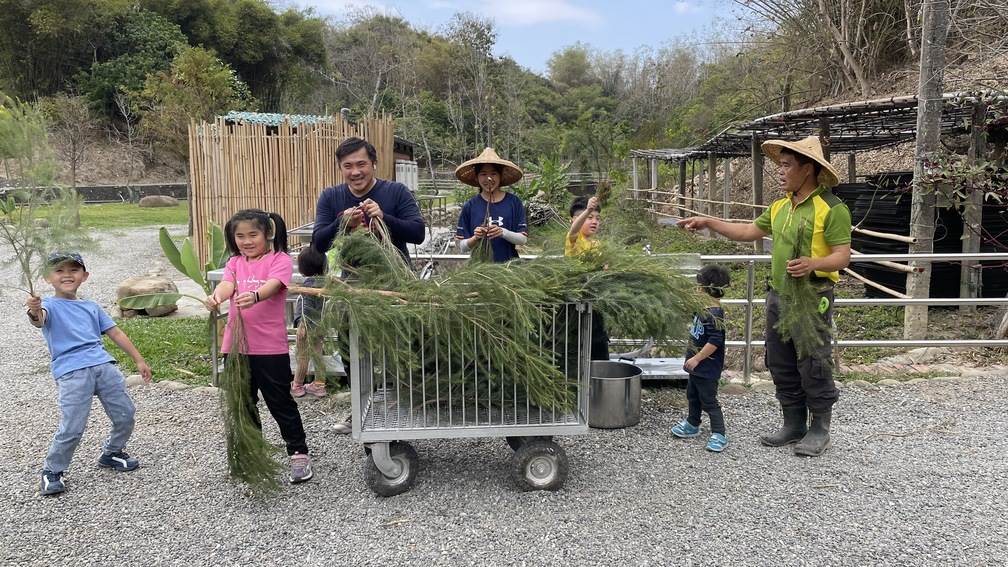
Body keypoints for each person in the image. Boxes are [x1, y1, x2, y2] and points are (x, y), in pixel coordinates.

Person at [678, 136, 851, 457]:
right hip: (779, 295)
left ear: (808, 168)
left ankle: (819, 428)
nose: (780, 172)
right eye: (779, 165)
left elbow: (842, 256)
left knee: (813, 361)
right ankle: (793, 423)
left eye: (786, 165)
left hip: (813, 296)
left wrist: (814, 262)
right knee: (781, 361)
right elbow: (747, 231)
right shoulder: (780, 207)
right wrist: (708, 221)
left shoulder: (832, 209)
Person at [25, 252, 152, 497]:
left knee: (126, 414)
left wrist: (138, 359)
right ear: (47, 278)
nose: (67, 275)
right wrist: (34, 310)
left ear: (84, 276)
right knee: (73, 426)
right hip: (72, 373)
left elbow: (115, 334)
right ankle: (52, 471)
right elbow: (39, 320)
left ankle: (112, 452)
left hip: (104, 366)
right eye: (59, 270)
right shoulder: (47, 306)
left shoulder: (91, 307)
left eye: (73, 270)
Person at [206, 209, 314, 483]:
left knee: (280, 403)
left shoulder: (279, 260)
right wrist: (216, 296)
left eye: (253, 234)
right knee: (243, 403)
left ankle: (298, 452)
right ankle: (252, 453)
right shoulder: (234, 263)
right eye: (239, 236)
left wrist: (255, 296)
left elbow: (274, 285)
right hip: (236, 347)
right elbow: (227, 286)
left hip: (269, 348)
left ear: (268, 234)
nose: (246, 241)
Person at [312, 137, 425, 262]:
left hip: (397, 278)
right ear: (340, 168)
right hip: (351, 279)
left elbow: (418, 234)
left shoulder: (397, 191)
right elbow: (318, 244)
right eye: (348, 166)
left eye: (361, 164)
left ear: (374, 163)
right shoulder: (330, 196)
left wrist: (383, 218)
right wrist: (342, 223)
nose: (355, 172)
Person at [671, 265, 731, 452]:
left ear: (706, 289)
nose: (696, 290)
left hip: (707, 368)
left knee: (709, 400)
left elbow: (715, 342)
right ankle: (692, 423)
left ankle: (719, 433)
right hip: (696, 367)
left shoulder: (715, 315)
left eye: (698, 286)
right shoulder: (703, 309)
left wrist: (697, 358)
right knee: (693, 395)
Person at [454, 147, 528, 262]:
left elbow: (522, 239)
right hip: (479, 270)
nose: (488, 179)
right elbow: (462, 246)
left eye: (493, 174)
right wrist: (475, 238)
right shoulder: (470, 206)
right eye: (483, 174)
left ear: (500, 176)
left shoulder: (514, 202)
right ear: (476, 177)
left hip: (509, 269)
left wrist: (503, 232)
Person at [566, 195, 609, 361]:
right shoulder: (574, 240)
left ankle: (599, 377)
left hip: (596, 301)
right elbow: (574, 230)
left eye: (598, 218)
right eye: (589, 217)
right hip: (577, 302)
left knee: (598, 343)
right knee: (578, 343)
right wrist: (588, 209)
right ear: (574, 219)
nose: (594, 221)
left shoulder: (597, 244)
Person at [291, 245, 327, 399]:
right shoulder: (325, 283)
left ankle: (297, 385)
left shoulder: (309, 285)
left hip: (306, 326)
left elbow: (306, 307)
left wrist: (302, 324)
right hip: (320, 326)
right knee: (318, 355)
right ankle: (319, 385)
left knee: (303, 357)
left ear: (302, 268)